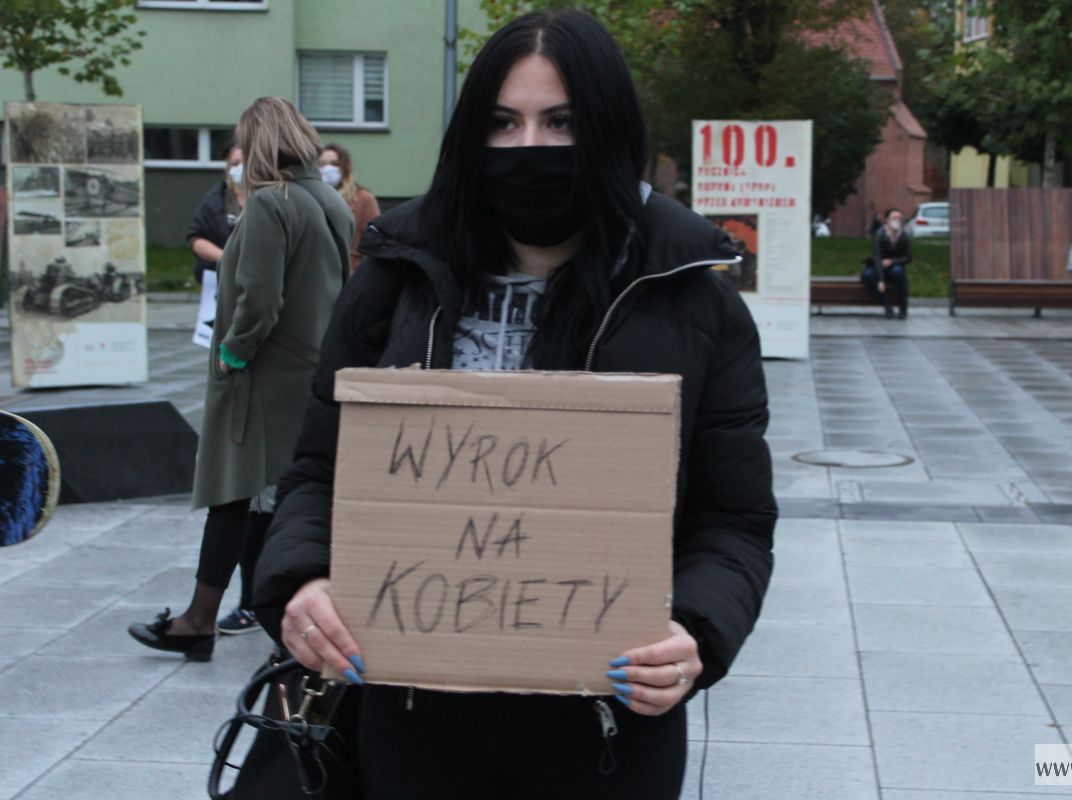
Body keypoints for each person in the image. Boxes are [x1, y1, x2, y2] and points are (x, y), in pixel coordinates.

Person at [252, 10, 776, 798]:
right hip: (411, 716)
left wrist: (697, 630)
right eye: (503, 123)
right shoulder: (394, 283)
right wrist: (301, 582)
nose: (530, 146)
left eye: (561, 122)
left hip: (606, 724)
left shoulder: (694, 304)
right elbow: (318, 472)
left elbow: (733, 518)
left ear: (608, 131)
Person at [128, 97, 353, 660]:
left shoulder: (271, 204)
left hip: (263, 377)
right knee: (268, 500)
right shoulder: (329, 199)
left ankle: (202, 622)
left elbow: (260, 299)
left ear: (258, 144)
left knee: (234, 495)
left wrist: (232, 353)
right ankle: (250, 616)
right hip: (308, 372)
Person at [187, 145, 245, 288]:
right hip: (219, 279)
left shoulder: (265, 199)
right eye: (235, 163)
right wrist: (227, 258)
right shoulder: (215, 200)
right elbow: (196, 238)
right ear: (227, 167)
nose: (241, 168)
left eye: (246, 163)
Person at [318, 142, 381, 273]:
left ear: (344, 167)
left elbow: (376, 243)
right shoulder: (312, 198)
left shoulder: (364, 199)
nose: (327, 169)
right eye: (322, 164)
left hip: (351, 273)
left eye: (334, 164)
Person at [862, 207, 911, 318]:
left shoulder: (904, 236)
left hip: (895, 266)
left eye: (899, 218)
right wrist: (881, 280)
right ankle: (887, 307)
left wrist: (892, 261)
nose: (896, 221)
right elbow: (877, 256)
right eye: (893, 218)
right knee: (868, 275)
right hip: (879, 266)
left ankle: (903, 309)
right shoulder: (879, 234)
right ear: (887, 220)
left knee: (898, 272)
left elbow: (908, 258)